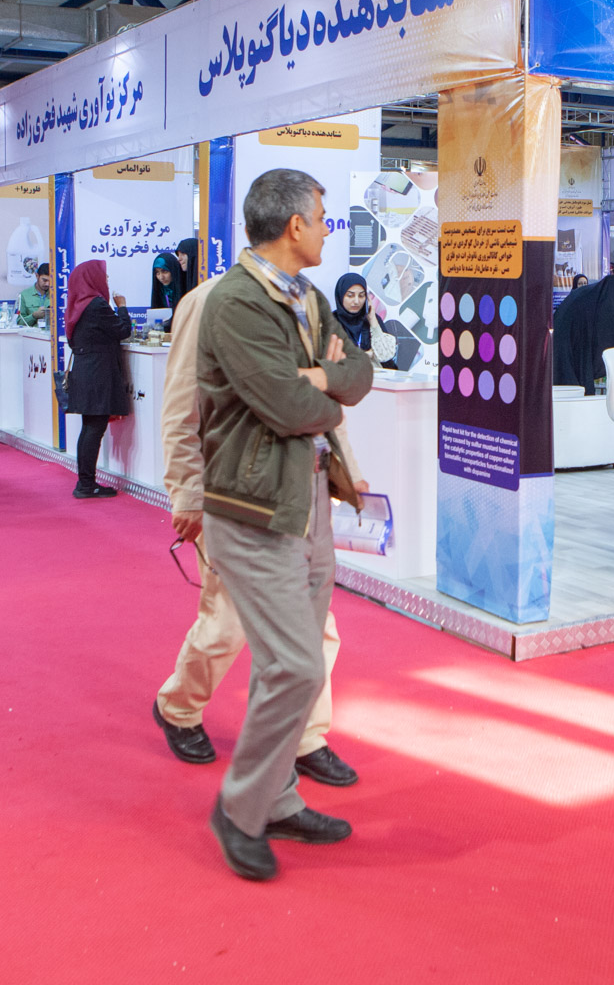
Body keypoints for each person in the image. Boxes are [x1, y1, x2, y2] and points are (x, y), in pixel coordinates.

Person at [198, 168, 373, 882]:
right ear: (295, 225)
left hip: (309, 501)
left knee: (293, 666)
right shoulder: (236, 303)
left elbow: (360, 373)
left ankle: (276, 799)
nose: (329, 229)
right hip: (255, 509)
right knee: (297, 665)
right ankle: (241, 809)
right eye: (323, 217)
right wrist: (319, 389)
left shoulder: (311, 298)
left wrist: (322, 378)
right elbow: (286, 406)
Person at [153, 262, 358, 790]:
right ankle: (179, 706)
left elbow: (332, 388)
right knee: (227, 620)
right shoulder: (209, 301)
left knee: (316, 624)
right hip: (234, 492)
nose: (321, 234)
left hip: (299, 489)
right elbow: (181, 407)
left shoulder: (304, 300)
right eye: (314, 223)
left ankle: (306, 737)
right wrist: (187, 491)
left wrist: (342, 468)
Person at [64, 259, 132, 499]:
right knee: (94, 428)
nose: (107, 281)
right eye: (104, 276)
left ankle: (85, 482)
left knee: (89, 428)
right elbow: (123, 330)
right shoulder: (96, 305)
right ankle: (86, 484)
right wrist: (122, 307)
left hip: (86, 371)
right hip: (97, 373)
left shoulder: (78, 305)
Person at [16, 263, 53, 327]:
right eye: (44, 280)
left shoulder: (57, 294)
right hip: (33, 332)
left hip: (51, 332)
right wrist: (34, 316)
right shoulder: (24, 295)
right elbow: (20, 322)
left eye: (51, 281)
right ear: (37, 276)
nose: (47, 284)